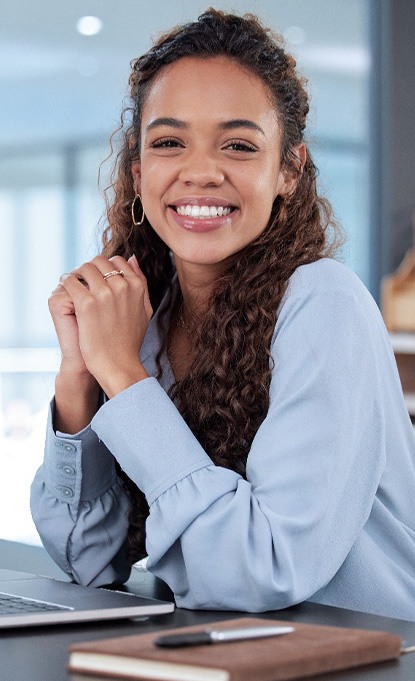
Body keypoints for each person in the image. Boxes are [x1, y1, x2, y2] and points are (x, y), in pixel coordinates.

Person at [31, 9, 415, 621]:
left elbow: (262, 573)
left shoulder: (325, 303)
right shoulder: (148, 316)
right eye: (168, 143)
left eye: (238, 145)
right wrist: (82, 375)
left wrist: (123, 377)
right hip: (225, 650)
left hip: (365, 659)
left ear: (288, 169)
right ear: (138, 172)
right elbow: (88, 560)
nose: (201, 172)